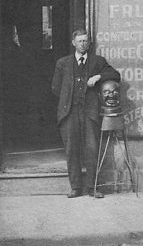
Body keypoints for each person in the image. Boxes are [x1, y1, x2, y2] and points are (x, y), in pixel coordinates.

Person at [51, 29, 120, 198]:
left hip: (90, 112)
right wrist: (69, 98)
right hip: (70, 113)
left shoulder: (97, 61)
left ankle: (92, 187)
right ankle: (75, 187)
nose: (83, 44)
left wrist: (98, 77)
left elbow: (115, 75)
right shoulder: (63, 63)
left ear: (89, 43)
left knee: (92, 149)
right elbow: (55, 88)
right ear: (73, 43)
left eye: (85, 41)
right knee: (71, 150)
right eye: (79, 41)